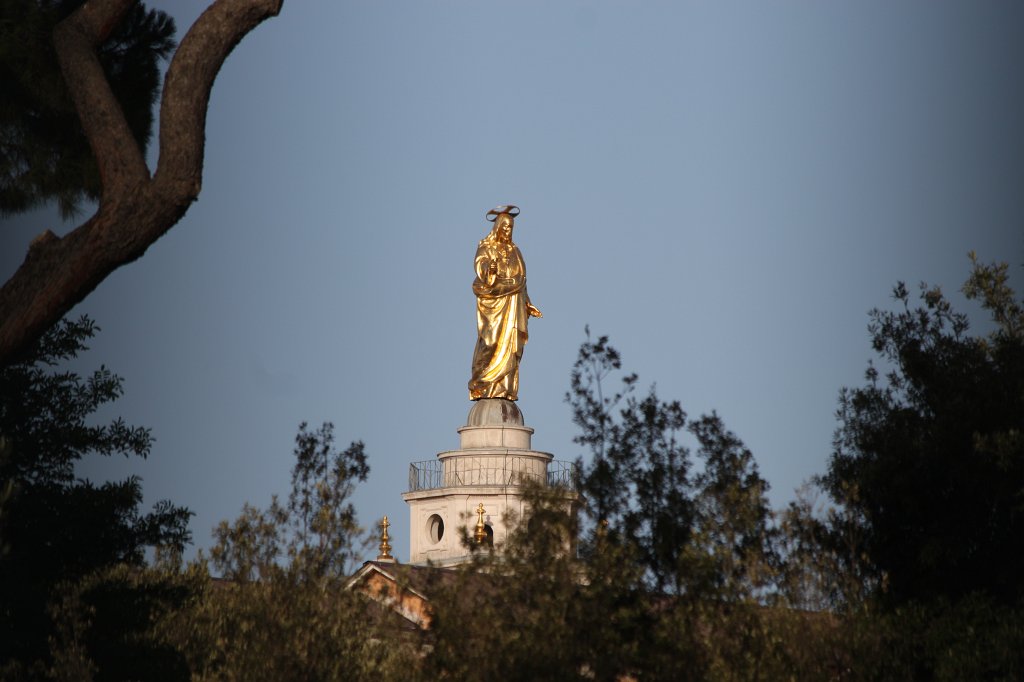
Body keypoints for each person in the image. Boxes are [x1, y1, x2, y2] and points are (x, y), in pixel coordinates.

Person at [468, 205, 542, 401]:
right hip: (493, 301)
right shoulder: (486, 247)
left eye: (511, 228)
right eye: (506, 227)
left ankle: (505, 388)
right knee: (490, 342)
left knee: (511, 346)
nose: (509, 231)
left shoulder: (515, 251)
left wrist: (527, 303)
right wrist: (489, 269)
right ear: (498, 227)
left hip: (512, 303)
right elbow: (480, 266)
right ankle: (480, 384)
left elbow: (521, 281)